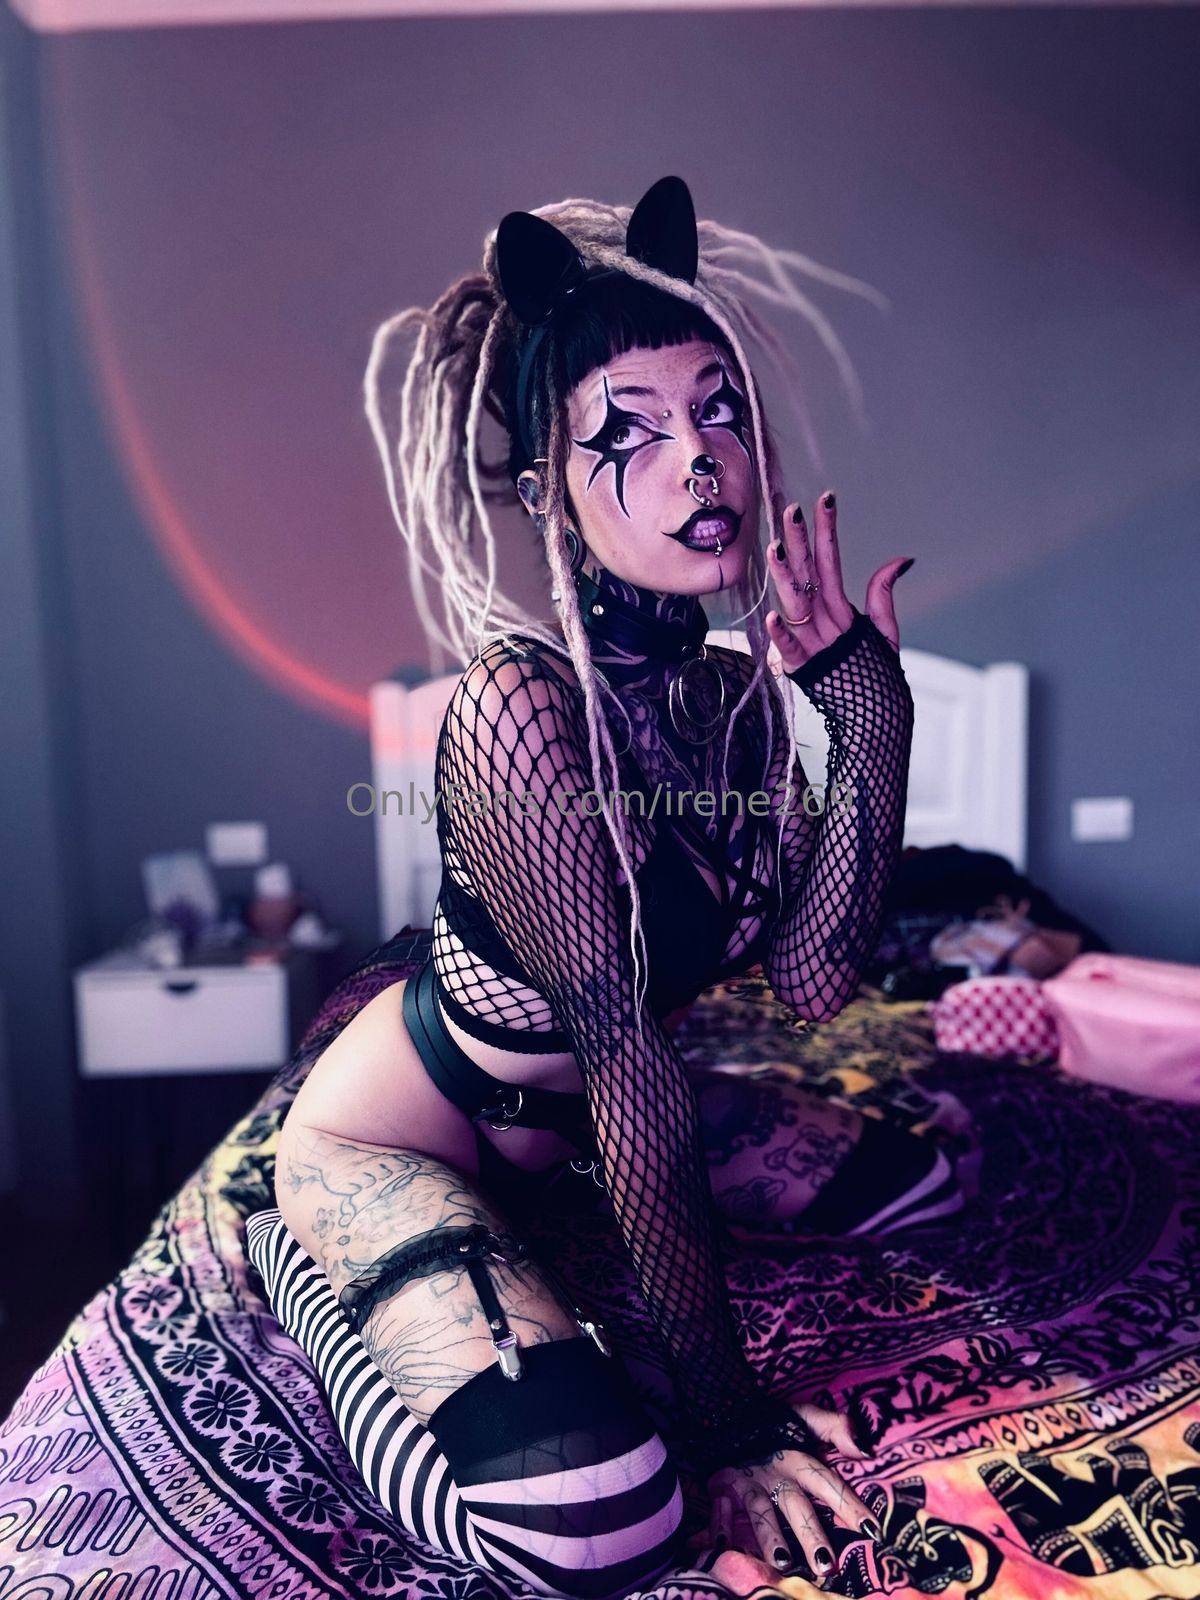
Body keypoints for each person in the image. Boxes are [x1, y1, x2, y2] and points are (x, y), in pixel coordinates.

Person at [252, 175, 963, 1598]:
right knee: (597, 1521)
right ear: (552, 498)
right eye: (626, 434)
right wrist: (723, 1416)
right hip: (409, 1136)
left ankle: (549, 1229)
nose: (698, 460)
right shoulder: (518, 709)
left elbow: (815, 982)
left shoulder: (741, 701)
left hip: (581, 1134)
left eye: (718, 411)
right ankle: (309, 1262)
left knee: (924, 1184)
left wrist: (869, 720)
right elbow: (628, 1054)